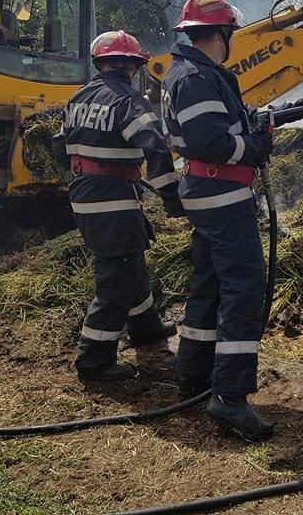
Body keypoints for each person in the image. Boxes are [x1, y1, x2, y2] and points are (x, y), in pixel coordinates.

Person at [161, 0, 275, 441]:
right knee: (244, 284)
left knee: (208, 283)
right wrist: (256, 147)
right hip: (220, 192)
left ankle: (194, 374)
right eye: (230, 33)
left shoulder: (193, 73)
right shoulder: (194, 77)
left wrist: (265, 122)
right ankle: (228, 397)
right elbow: (211, 141)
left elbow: (221, 126)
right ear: (220, 33)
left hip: (207, 191)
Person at [56, 30, 184, 380]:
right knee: (116, 279)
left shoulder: (78, 97)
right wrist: (173, 197)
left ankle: (146, 327)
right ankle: (94, 359)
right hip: (111, 200)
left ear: (100, 63)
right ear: (133, 65)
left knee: (130, 258)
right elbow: (156, 149)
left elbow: (58, 145)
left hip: (84, 194)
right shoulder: (127, 100)